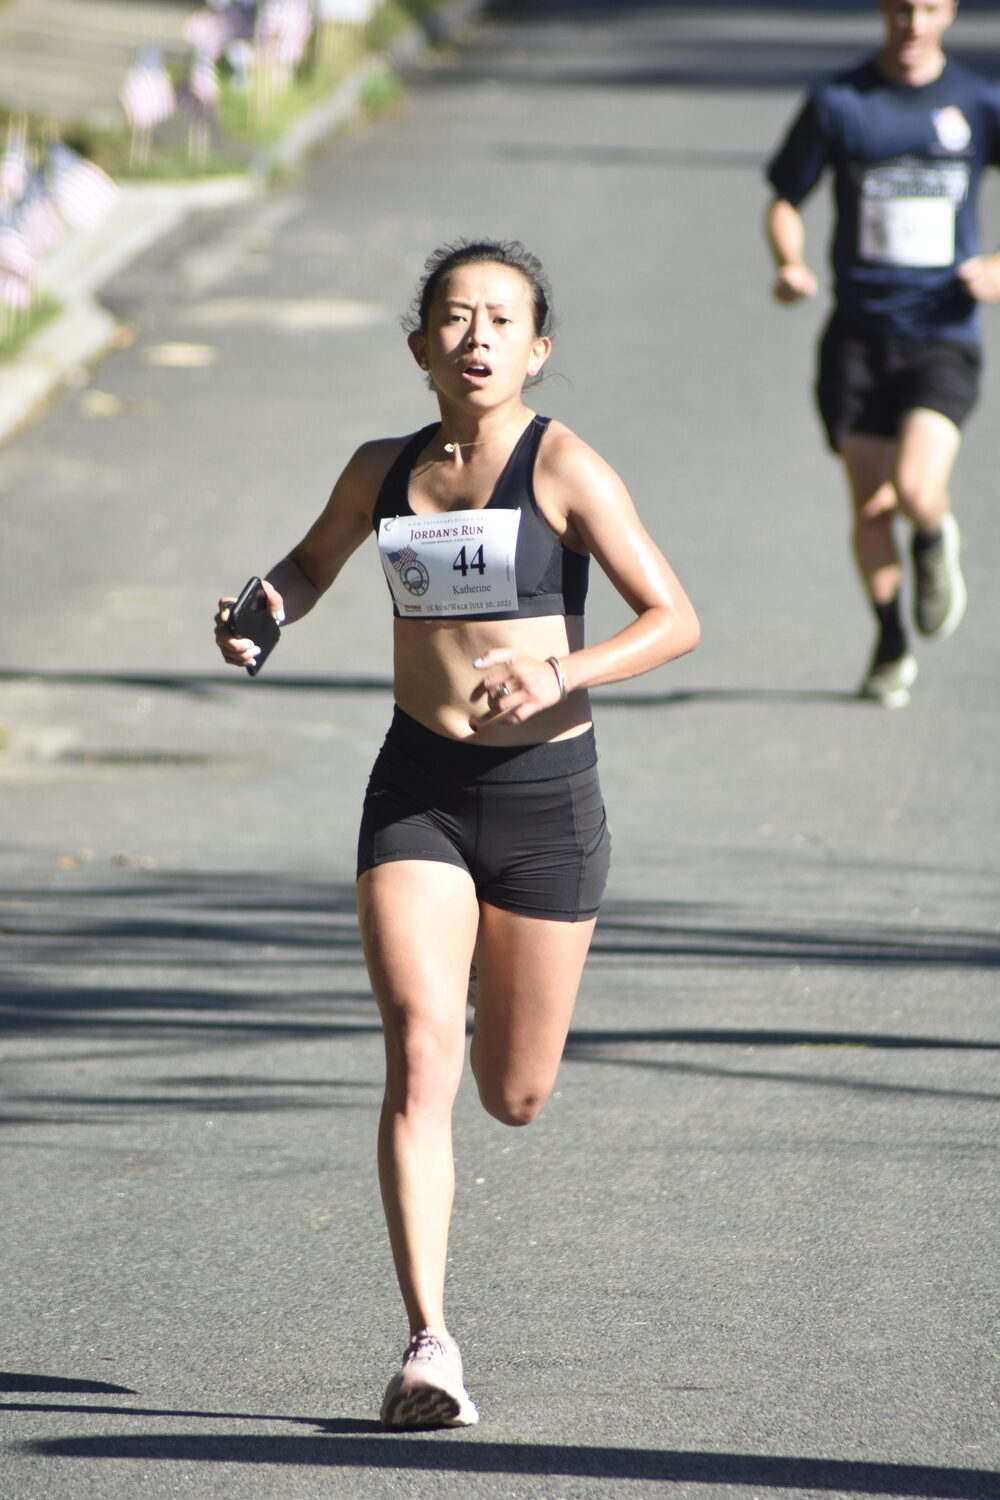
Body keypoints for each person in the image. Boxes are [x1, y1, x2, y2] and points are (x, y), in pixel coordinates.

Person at [214, 239, 700, 1429]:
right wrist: (261, 612)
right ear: (420, 343)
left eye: (502, 319)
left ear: (537, 350)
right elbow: (309, 564)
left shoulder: (565, 468)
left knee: (511, 1095)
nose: (475, 336)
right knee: (420, 1053)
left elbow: (674, 617)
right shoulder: (381, 470)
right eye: (453, 316)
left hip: (543, 802)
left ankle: (496, 983)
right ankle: (430, 1345)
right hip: (417, 789)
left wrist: (562, 671)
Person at [764, 0, 1000, 707]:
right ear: (883, 10)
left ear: (949, 12)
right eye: (901, 7)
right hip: (858, 339)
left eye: (928, 8)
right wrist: (789, 263)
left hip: (943, 333)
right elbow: (785, 196)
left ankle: (932, 538)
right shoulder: (840, 102)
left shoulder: (979, 100)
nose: (913, 23)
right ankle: (891, 640)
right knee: (870, 507)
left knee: (918, 490)